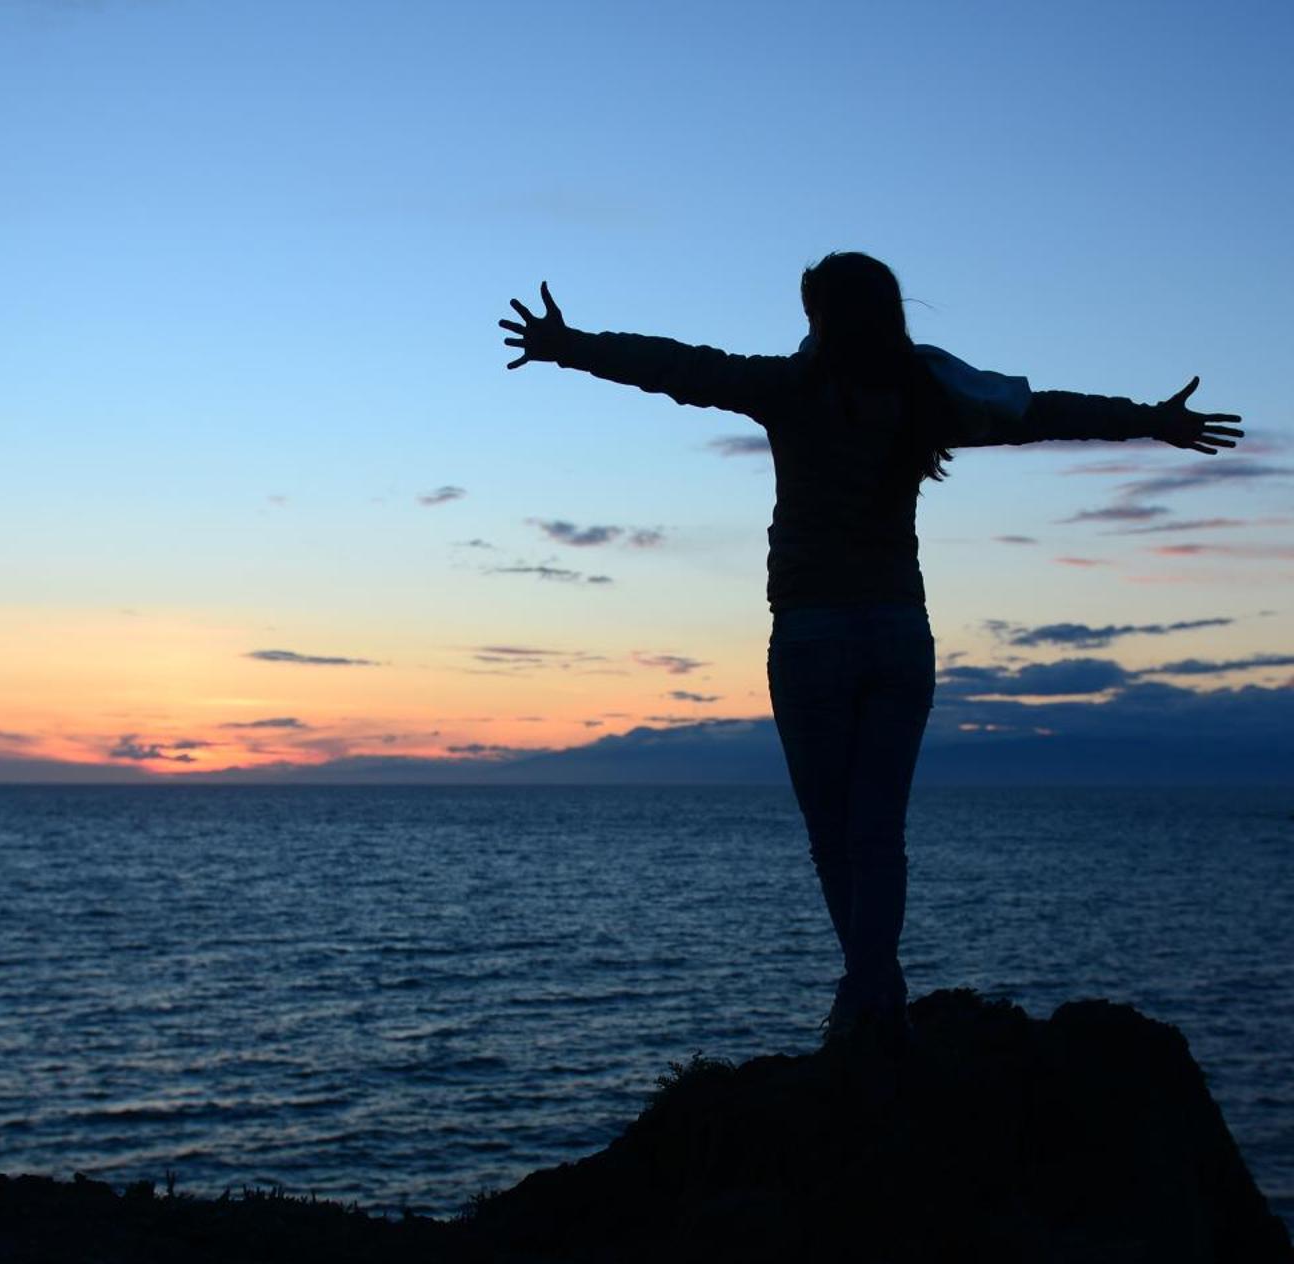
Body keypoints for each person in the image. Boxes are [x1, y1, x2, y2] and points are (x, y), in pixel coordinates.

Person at [499, 252, 1242, 1043]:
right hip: (897, 634)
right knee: (878, 830)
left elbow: (680, 368)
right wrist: (1152, 419)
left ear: (820, 315)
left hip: (813, 634)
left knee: (835, 834)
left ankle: (871, 993)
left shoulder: (790, 388)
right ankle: (874, 993)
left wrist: (569, 345)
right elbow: (1045, 413)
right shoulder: (927, 396)